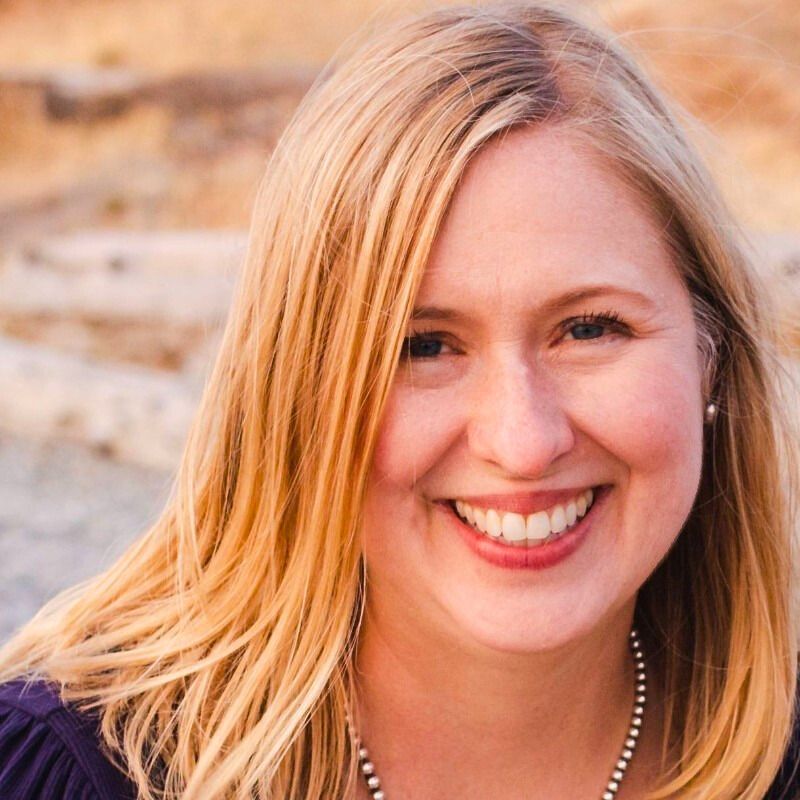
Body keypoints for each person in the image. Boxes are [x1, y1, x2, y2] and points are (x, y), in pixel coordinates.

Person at [1, 2, 798, 798]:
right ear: (298, 392)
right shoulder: (67, 774)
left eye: (590, 329)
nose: (523, 441)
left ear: (710, 356)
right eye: (422, 346)